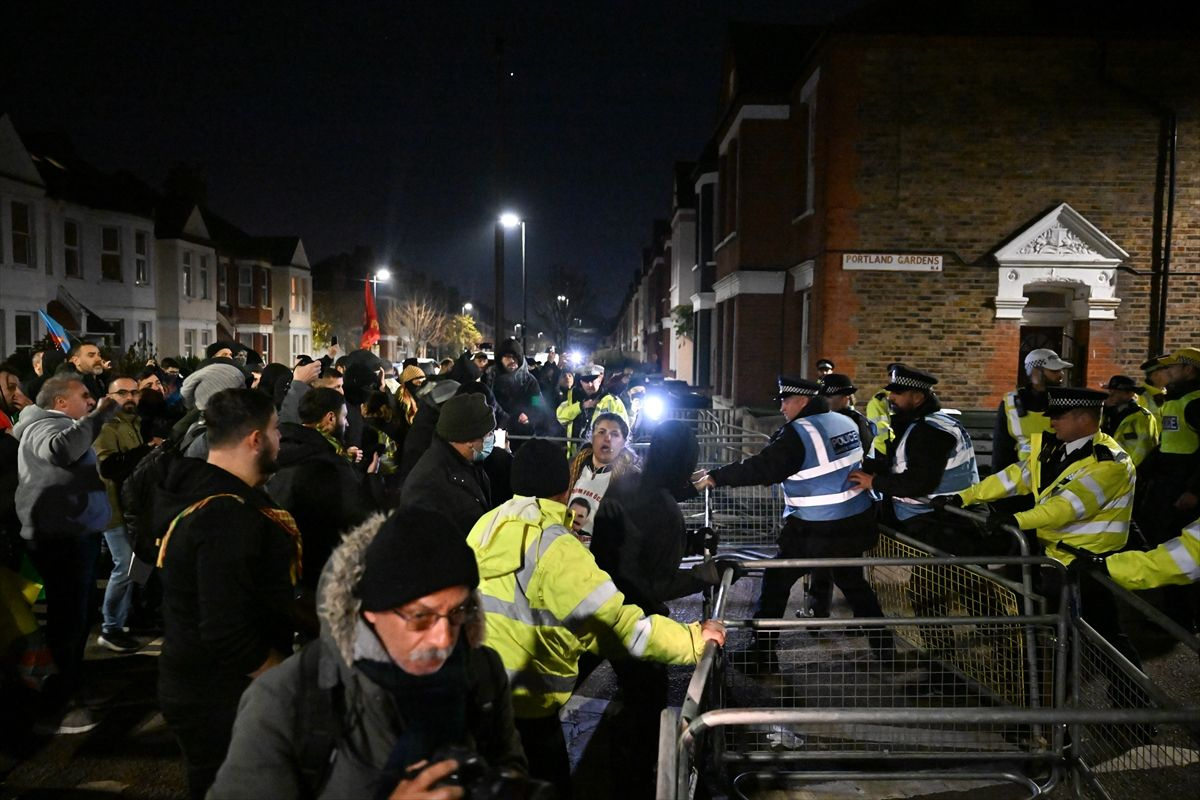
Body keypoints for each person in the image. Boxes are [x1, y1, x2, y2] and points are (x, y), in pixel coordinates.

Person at [209, 508, 528, 799]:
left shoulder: (483, 671)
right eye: (421, 617)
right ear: (370, 612)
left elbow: (508, 759)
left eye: (457, 611)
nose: (444, 638)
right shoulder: (284, 702)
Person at [468, 438, 726, 795]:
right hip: (532, 705)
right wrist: (695, 639)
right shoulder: (557, 547)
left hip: (483, 691)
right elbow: (619, 627)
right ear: (566, 488)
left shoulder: (485, 525)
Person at [153, 389, 299, 799]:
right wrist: (288, 680)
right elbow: (227, 631)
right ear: (255, 439)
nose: (280, 440)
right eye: (276, 431)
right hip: (218, 694)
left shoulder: (208, 494)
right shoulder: (226, 517)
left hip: (202, 684)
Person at [693, 375, 892, 667]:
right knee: (854, 584)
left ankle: (762, 656)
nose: (782, 408)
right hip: (854, 523)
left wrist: (716, 476)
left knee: (775, 581)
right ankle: (885, 651)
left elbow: (763, 468)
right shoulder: (847, 421)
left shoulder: (799, 433)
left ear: (804, 401)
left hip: (814, 529)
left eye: (786, 401)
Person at [947, 388, 1143, 669]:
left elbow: (1067, 506)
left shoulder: (1110, 463)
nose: (1051, 422)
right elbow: (1016, 476)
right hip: (1056, 559)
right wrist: (966, 495)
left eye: (1059, 417)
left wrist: (1017, 520)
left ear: (1083, 419)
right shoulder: (1055, 448)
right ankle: (1059, 697)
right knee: (1062, 633)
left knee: (1105, 637)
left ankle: (1133, 701)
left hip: (1087, 566)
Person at [14, 374, 119, 732]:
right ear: (60, 402)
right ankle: (60, 703)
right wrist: (100, 416)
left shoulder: (57, 425)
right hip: (62, 539)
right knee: (67, 622)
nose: (91, 401)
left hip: (74, 535)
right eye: (84, 396)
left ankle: (73, 687)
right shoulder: (43, 426)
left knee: (76, 618)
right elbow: (60, 451)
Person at [267, 388, 378, 635]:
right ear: (330, 418)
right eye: (344, 416)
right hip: (324, 576)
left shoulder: (282, 449)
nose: (347, 422)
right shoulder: (329, 465)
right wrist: (370, 481)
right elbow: (356, 519)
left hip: (290, 575)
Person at [850, 366, 981, 551]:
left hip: (938, 520)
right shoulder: (928, 423)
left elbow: (918, 481)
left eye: (898, 393)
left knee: (936, 579)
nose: (890, 397)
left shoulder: (929, 431)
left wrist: (874, 482)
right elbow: (904, 463)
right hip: (944, 517)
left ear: (918, 397)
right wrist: (870, 465)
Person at [94, 375, 161, 653]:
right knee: (124, 566)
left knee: (138, 563)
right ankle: (110, 627)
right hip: (114, 508)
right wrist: (147, 450)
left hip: (134, 508)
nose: (130, 397)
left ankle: (124, 620)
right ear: (110, 397)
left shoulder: (132, 423)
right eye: (123, 393)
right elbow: (108, 467)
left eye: (134, 392)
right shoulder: (107, 426)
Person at [402, 393, 495, 536]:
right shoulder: (425, 485)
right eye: (489, 434)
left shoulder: (470, 461)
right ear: (469, 440)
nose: (492, 439)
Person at [993, 348, 1071, 470]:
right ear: (1036, 373)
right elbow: (1001, 451)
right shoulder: (1010, 404)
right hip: (1022, 477)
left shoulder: (1068, 401)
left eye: (1060, 370)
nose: (1061, 374)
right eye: (1054, 370)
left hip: (1058, 474)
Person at [566, 411, 639, 539]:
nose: (607, 438)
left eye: (614, 434)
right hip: (566, 546)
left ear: (623, 442)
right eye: (601, 432)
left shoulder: (631, 478)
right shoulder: (573, 466)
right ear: (592, 437)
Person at [556, 363, 628, 457]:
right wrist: (581, 406)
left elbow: (624, 430)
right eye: (586, 381)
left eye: (593, 380)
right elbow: (560, 417)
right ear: (581, 382)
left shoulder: (613, 401)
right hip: (575, 455)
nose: (590, 384)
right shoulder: (573, 397)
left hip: (603, 456)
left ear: (600, 379)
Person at [1099, 374, 1159, 468]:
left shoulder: (1143, 417)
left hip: (1130, 470)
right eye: (1110, 391)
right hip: (1105, 468)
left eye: (1116, 392)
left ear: (1130, 394)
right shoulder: (1103, 413)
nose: (1111, 394)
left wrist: (1131, 470)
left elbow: (1145, 448)